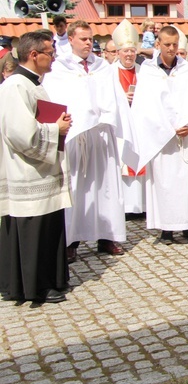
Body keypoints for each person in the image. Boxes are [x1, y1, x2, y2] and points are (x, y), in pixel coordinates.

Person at [43, 20, 134, 262]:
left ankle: (107, 236)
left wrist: (119, 126)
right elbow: (54, 99)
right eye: (83, 39)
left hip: (102, 135)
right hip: (76, 137)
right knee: (76, 188)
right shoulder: (59, 68)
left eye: (90, 39)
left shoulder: (103, 66)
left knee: (106, 186)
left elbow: (116, 99)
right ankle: (72, 240)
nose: (87, 43)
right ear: (70, 39)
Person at [129, 25, 188, 245]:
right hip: (160, 139)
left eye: (175, 45)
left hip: (185, 136)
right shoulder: (149, 72)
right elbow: (144, 107)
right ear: (157, 44)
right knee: (163, 183)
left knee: (186, 184)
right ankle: (166, 229)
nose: (171, 49)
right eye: (167, 45)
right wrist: (166, 128)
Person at [0, 30, 72, 303]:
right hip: (27, 172)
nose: (53, 58)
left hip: (39, 170)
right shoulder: (16, 86)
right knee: (33, 231)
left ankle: (46, 280)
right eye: (50, 53)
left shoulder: (33, 84)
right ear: (33, 55)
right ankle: (36, 287)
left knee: (47, 227)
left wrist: (58, 123)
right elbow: (21, 134)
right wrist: (56, 129)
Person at [111, 20, 146, 217]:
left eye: (132, 51)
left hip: (139, 125)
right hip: (121, 127)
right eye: (125, 51)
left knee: (140, 161)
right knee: (123, 162)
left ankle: (141, 206)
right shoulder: (109, 73)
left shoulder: (143, 72)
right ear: (118, 53)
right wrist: (122, 99)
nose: (129, 55)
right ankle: (126, 207)